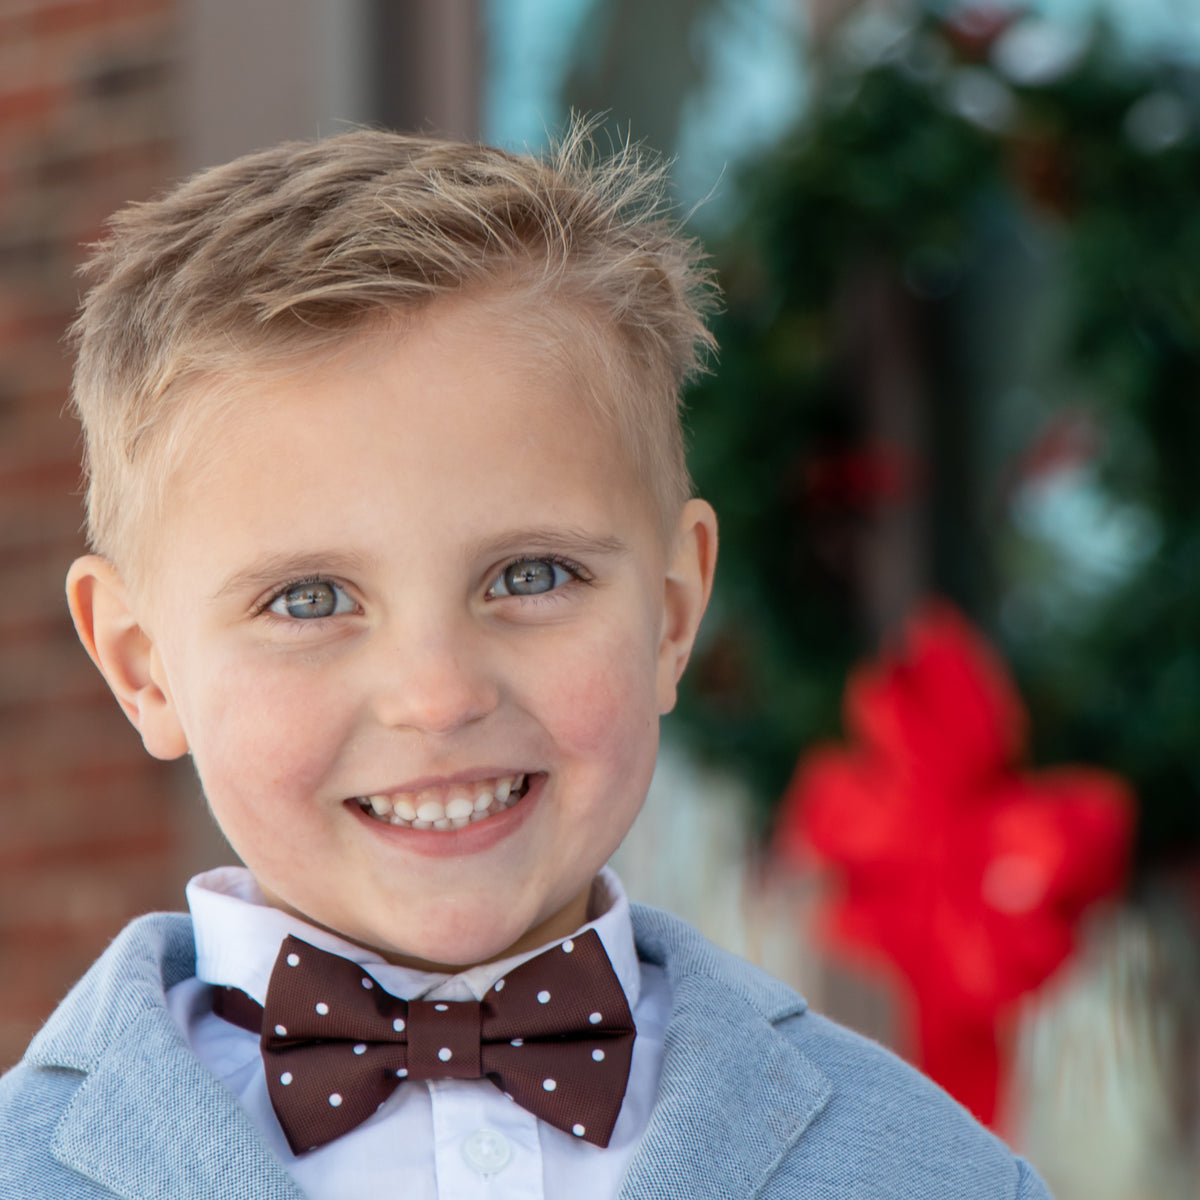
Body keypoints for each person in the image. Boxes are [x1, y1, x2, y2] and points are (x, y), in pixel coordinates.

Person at [0, 123, 1052, 1199]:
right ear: (142, 665)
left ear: (672, 613)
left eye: (532, 577)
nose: (440, 694)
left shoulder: (939, 1174)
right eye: (308, 600)